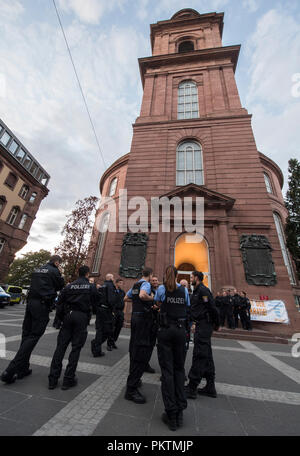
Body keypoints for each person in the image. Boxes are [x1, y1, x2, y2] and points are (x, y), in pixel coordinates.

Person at [1, 255, 65, 384]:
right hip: (41, 305)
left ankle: (23, 368)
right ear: (57, 262)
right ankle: (10, 370)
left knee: (26, 335)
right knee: (34, 335)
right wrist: (61, 274)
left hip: (30, 304)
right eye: (60, 264)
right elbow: (60, 286)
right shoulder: (54, 271)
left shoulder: (38, 269)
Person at [48, 266, 100, 390]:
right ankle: (68, 379)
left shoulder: (69, 286)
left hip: (68, 316)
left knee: (60, 347)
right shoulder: (91, 287)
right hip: (81, 317)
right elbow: (96, 302)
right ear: (87, 274)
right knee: (76, 348)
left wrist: (60, 319)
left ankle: (52, 379)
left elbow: (59, 304)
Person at [155, 266, 190, 431]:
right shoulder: (183, 290)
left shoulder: (162, 289)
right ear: (177, 276)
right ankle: (180, 410)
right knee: (179, 370)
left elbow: (158, 303)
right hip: (180, 331)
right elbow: (187, 308)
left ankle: (171, 413)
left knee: (167, 372)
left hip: (165, 331)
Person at [185, 271, 220, 400]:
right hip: (202, 324)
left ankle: (192, 387)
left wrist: (216, 324)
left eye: (192, 277)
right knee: (207, 356)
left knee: (199, 354)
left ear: (197, 278)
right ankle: (210, 387)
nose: (190, 279)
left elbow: (212, 307)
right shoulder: (197, 291)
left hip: (204, 326)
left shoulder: (203, 291)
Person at [124, 267, 155, 404]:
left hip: (134, 318)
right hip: (142, 318)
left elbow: (126, 297)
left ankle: (134, 379)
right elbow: (143, 295)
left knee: (134, 347)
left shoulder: (135, 284)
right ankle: (131, 389)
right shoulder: (146, 284)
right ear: (150, 275)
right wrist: (151, 298)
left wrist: (136, 304)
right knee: (141, 349)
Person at [91, 273, 118, 357]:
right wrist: (113, 309)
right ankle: (95, 344)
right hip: (106, 311)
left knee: (100, 330)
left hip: (100, 310)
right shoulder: (110, 286)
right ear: (110, 278)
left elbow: (96, 298)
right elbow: (111, 300)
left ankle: (96, 350)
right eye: (113, 277)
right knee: (108, 330)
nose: (114, 279)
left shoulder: (102, 286)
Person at [113, 278, 126, 347]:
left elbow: (125, 302)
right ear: (116, 283)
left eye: (122, 283)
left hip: (120, 312)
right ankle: (110, 342)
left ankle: (114, 341)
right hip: (114, 311)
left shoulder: (122, 292)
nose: (121, 284)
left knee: (119, 327)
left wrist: (123, 312)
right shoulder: (113, 291)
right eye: (120, 283)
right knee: (113, 327)